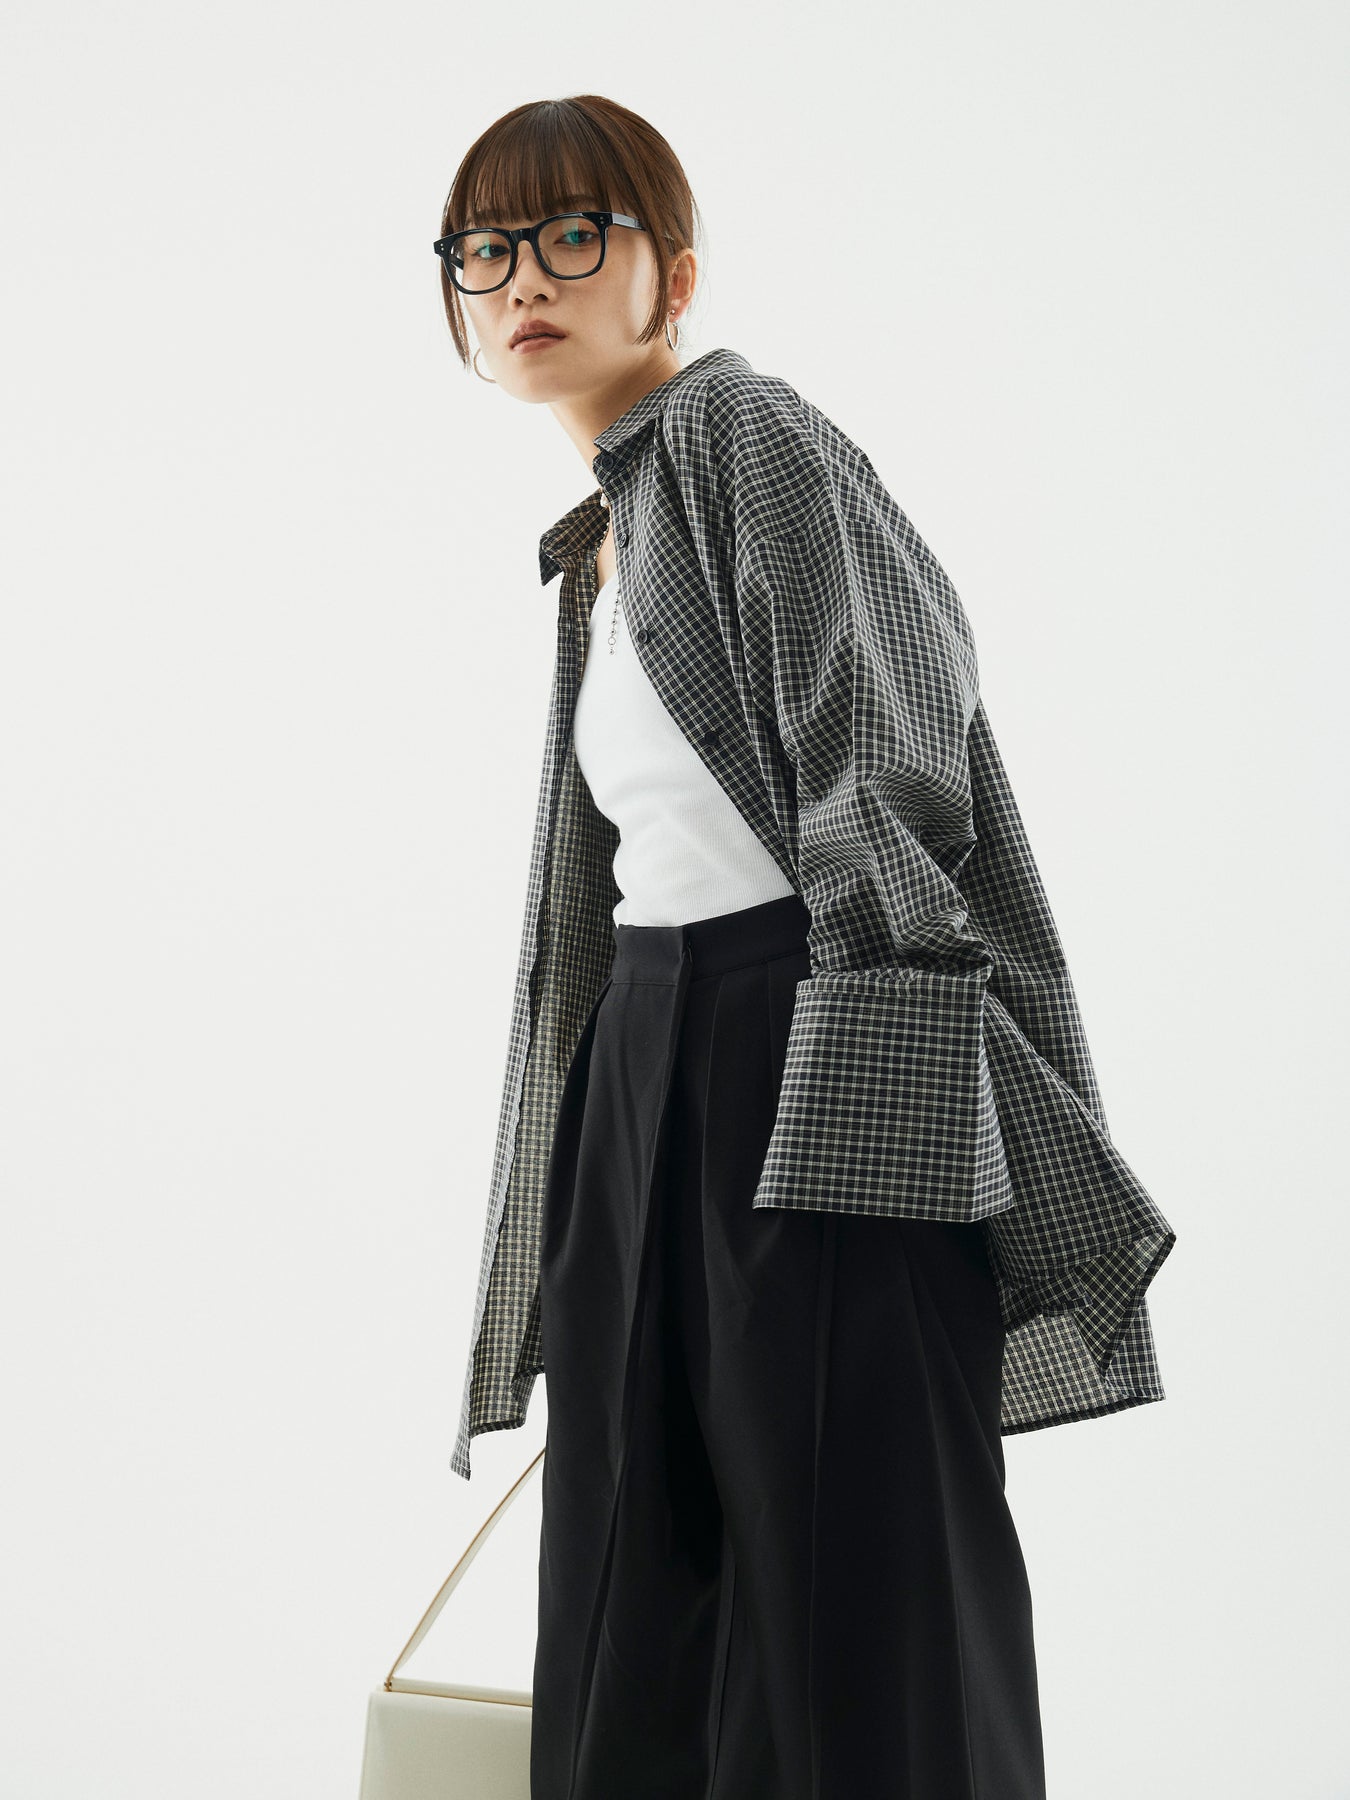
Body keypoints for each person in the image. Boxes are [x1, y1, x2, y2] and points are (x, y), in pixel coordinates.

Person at [433, 92, 1177, 1800]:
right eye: (483, 249)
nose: (522, 276)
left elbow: (887, 739)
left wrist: (869, 1080)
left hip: (818, 1022)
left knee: (857, 1561)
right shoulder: (598, 538)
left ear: (673, 273)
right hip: (645, 1044)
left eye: (572, 234)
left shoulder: (738, 434)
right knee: (631, 1564)